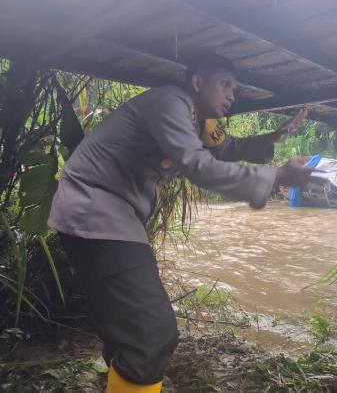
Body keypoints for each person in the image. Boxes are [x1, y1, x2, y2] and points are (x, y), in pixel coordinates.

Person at [48, 53, 318, 393]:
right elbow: (198, 165)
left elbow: (228, 147)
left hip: (111, 216)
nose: (232, 95)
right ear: (196, 83)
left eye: (235, 87)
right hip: (95, 209)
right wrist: (277, 176)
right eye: (224, 84)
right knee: (151, 331)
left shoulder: (200, 123)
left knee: (126, 330)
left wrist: (274, 138)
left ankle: (124, 381)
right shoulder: (170, 102)